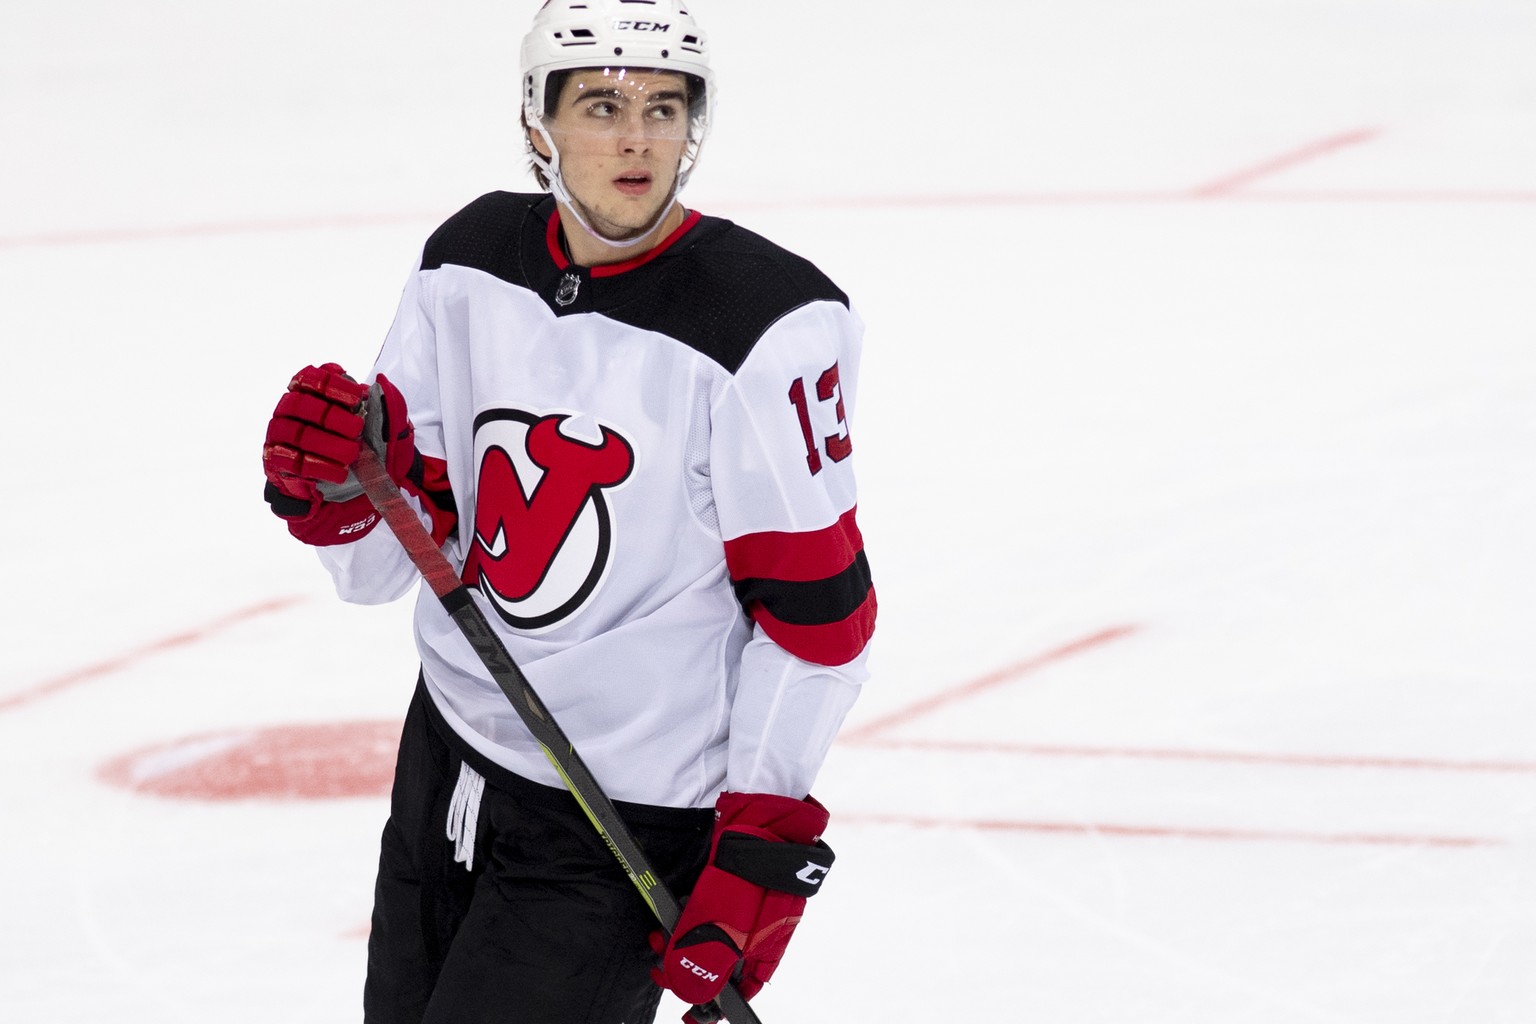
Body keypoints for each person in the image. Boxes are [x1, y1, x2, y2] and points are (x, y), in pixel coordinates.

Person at [260, 2, 875, 1022]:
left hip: (620, 820)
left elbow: (819, 623)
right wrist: (333, 484)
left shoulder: (764, 325)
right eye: (601, 104)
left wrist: (760, 839)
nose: (636, 138)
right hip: (447, 759)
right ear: (534, 124)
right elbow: (380, 569)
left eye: (664, 107)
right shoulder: (468, 263)